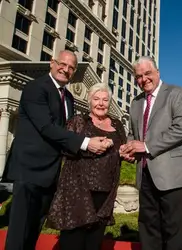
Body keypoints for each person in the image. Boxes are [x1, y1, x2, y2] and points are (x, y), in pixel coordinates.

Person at [4, 50, 111, 250]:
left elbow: (66, 132)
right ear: (52, 63)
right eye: (62, 64)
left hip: (51, 174)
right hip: (30, 171)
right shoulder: (36, 88)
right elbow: (47, 127)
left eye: (71, 67)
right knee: (19, 232)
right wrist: (87, 143)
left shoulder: (68, 97)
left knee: (34, 228)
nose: (66, 69)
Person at [119, 56, 182, 250]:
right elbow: (133, 134)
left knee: (173, 230)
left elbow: (181, 129)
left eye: (147, 73)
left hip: (171, 175)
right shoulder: (135, 102)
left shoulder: (177, 93)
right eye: (139, 76)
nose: (144, 79)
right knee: (148, 230)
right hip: (144, 175)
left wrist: (146, 146)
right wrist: (129, 149)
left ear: (158, 72)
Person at [46, 83, 127, 250]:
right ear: (89, 101)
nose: (101, 103)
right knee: (73, 242)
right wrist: (89, 145)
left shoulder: (117, 125)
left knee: (94, 243)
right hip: (78, 192)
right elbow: (65, 148)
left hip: (105, 193)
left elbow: (121, 151)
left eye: (105, 100)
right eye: (96, 99)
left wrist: (125, 152)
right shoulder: (78, 121)